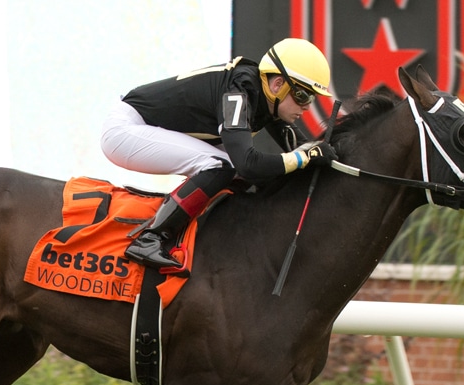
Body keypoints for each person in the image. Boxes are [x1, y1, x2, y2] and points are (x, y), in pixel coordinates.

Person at [101, 38, 338, 270]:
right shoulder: (238, 92)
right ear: (278, 85)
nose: (307, 106)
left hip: (140, 125)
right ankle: (150, 238)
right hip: (126, 129)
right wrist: (303, 158)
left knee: (238, 170)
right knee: (222, 166)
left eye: (312, 98)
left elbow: (299, 148)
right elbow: (248, 163)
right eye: (303, 96)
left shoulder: (265, 96)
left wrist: (321, 157)